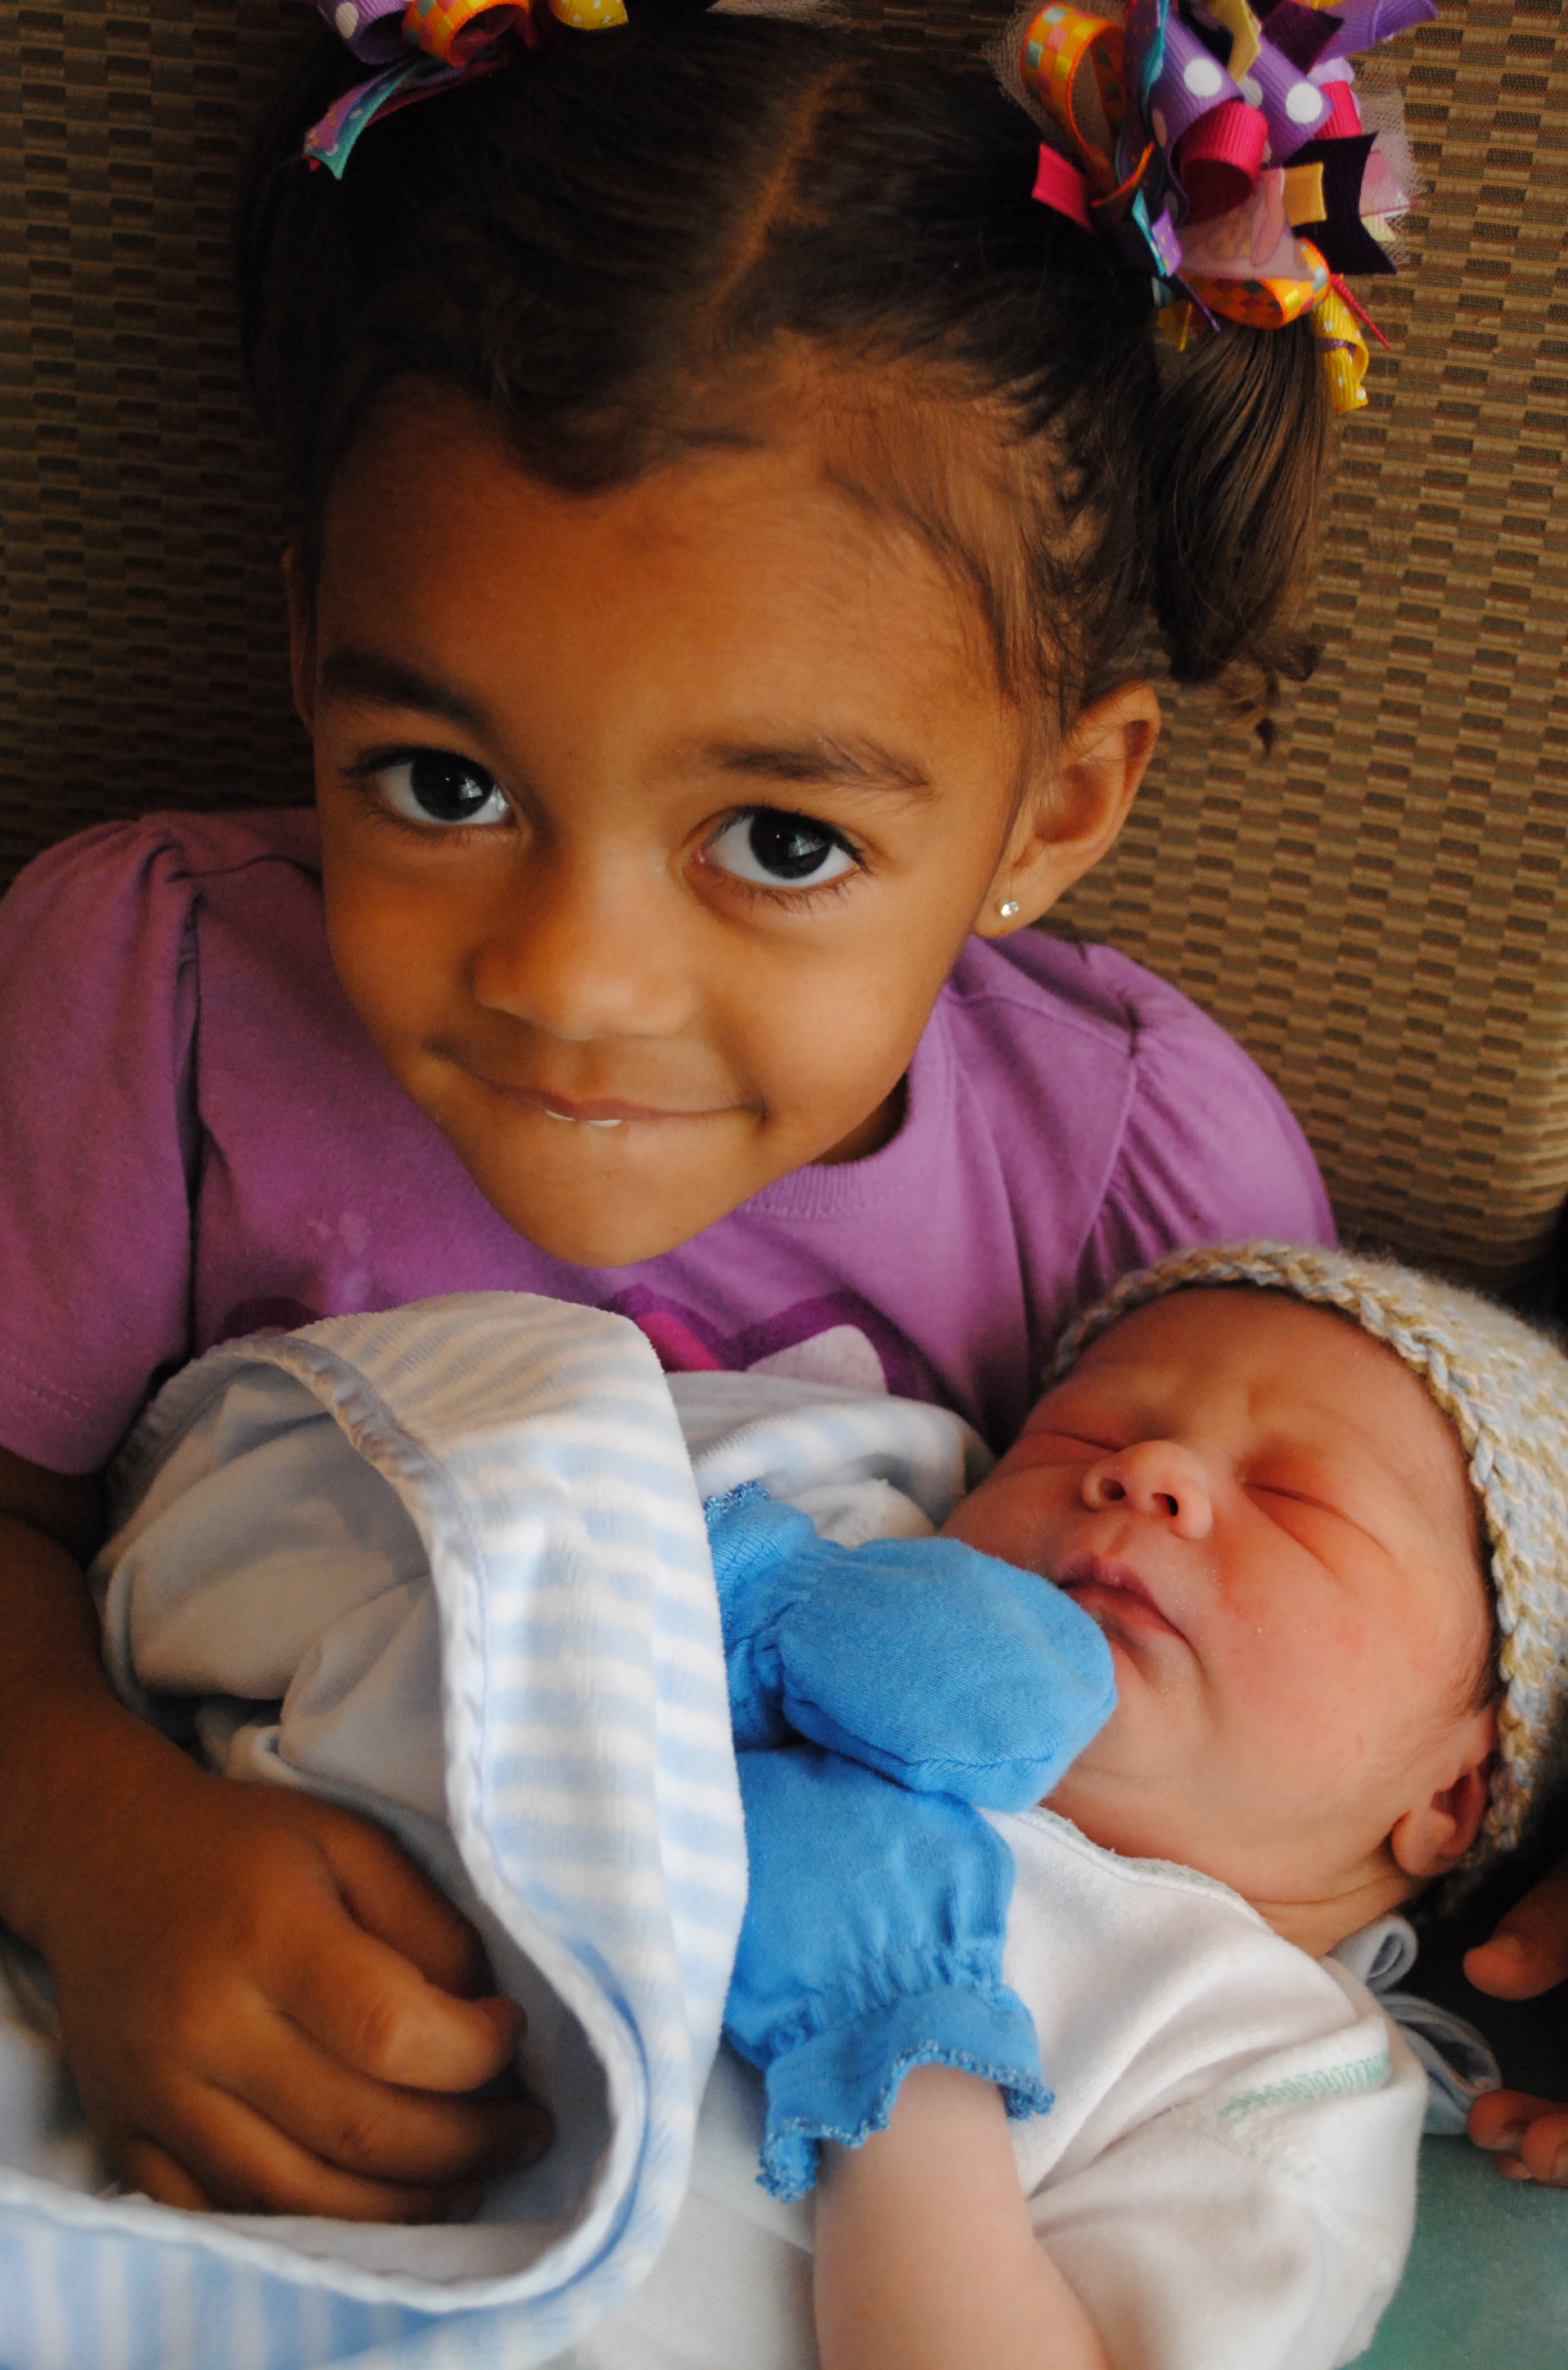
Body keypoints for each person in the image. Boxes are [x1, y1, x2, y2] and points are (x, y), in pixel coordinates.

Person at [0, 0, 1367, 2224]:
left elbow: (1361, 1662)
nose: (570, 975)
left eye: (780, 842)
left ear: (1056, 808)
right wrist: (88, 1837)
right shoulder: (145, 997)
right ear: (311, 648)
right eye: (442, 784)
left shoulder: (1138, 1174)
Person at [23, 1240, 1568, 2370]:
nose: (1150, 1471)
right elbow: (419, 1532)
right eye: (1086, 1435)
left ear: (1450, 1796)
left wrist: (906, 2052)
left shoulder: (1276, 2070)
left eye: (1296, 1497)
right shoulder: (813, 1554)